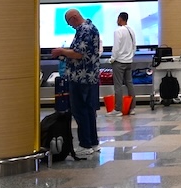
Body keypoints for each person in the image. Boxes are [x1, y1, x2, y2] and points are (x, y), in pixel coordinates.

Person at [51, 10, 102, 155]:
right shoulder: (91, 27)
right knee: (89, 110)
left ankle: (85, 144)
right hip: (90, 76)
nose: (70, 26)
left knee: (80, 111)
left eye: (69, 23)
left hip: (81, 77)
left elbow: (79, 54)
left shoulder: (84, 30)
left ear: (74, 18)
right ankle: (93, 142)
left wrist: (61, 51)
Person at [110, 11, 136, 116]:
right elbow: (134, 46)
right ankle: (132, 108)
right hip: (129, 61)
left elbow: (116, 47)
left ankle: (118, 109)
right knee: (130, 84)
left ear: (120, 19)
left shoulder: (118, 31)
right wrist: (130, 56)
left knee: (118, 85)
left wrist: (112, 59)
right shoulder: (131, 31)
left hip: (119, 62)